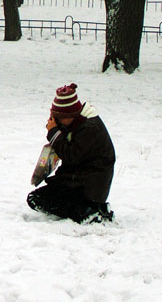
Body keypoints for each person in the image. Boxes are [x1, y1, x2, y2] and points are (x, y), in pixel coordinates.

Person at [27, 83, 116, 224]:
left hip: (90, 187)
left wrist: (54, 132)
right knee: (37, 198)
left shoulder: (90, 128)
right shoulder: (79, 124)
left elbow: (70, 155)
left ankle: (89, 213)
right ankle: (91, 209)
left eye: (59, 118)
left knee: (37, 199)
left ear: (70, 115)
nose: (57, 122)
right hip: (82, 182)